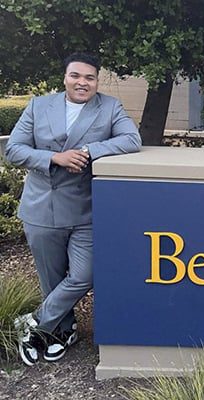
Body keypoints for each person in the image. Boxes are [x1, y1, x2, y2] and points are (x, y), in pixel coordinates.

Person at [6, 53, 142, 365]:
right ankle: (61, 332)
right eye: (76, 76)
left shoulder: (109, 108)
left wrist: (87, 151)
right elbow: (13, 149)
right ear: (65, 77)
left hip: (85, 210)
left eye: (89, 77)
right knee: (51, 279)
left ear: (97, 81)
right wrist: (54, 158)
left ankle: (34, 323)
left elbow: (131, 139)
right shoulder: (39, 106)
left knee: (86, 274)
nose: (82, 82)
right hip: (42, 208)